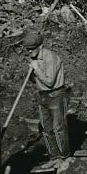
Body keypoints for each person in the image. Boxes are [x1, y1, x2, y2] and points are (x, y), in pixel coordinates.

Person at [22, 30, 71, 159]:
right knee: (45, 128)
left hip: (56, 95)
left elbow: (50, 81)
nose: (28, 52)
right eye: (27, 49)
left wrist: (37, 69)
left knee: (58, 128)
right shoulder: (34, 59)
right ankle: (53, 155)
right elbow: (34, 81)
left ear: (40, 46)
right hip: (42, 96)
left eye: (31, 49)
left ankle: (64, 156)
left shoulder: (50, 57)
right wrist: (31, 73)